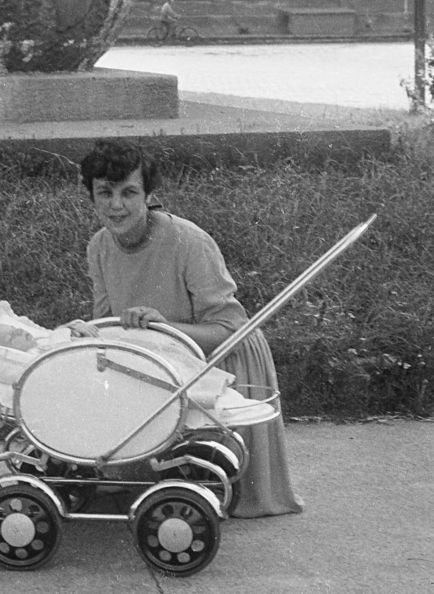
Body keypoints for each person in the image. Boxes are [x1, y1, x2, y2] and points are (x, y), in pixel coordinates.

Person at [74, 139, 302, 519]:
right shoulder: (99, 246)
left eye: (129, 192)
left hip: (222, 358)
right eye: (105, 193)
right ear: (91, 196)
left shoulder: (188, 241)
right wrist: (87, 332)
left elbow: (232, 327)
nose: (116, 205)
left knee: (214, 493)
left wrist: (167, 327)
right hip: (167, 360)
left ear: (148, 195)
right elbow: (107, 321)